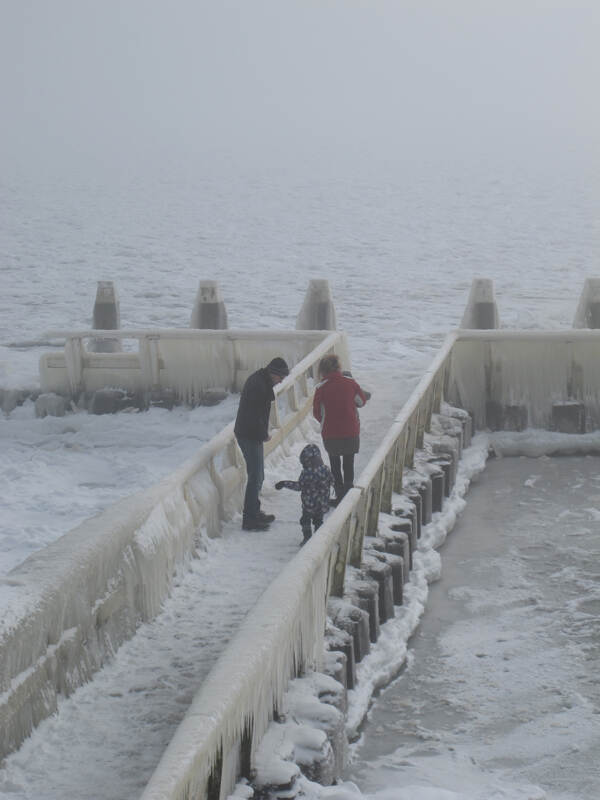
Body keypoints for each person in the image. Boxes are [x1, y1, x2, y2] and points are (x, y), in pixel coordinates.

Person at [234, 356, 289, 531]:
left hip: (250, 434)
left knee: (258, 475)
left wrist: (261, 433)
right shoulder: (259, 386)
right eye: (281, 377)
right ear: (274, 373)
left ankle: (254, 511)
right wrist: (263, 434)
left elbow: (256, 415)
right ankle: (249, 519)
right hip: (249, 435)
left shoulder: (261, 380)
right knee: (255, 476)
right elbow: (253, 416)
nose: (282, 381)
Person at [313, 354, 370, 504]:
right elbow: (361, 401)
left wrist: (326, 421)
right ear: (338, 367)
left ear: (322, 371)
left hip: (330, 434)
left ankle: (339, 496)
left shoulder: (321, 388)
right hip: (350, 431)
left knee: (335, 465)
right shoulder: (350, 383)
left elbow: (316, 412)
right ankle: (349, 495)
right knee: (349, 463)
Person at [275, 443, 333, 545]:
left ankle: (307, 538)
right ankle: (318, 540)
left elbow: (299, 486)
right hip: (322, 504)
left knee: (305, 520)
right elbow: (332, 481)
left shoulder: (307, 473)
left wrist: (284, 483)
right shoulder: (326, 469)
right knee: (318, 521)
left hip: (309, 505)